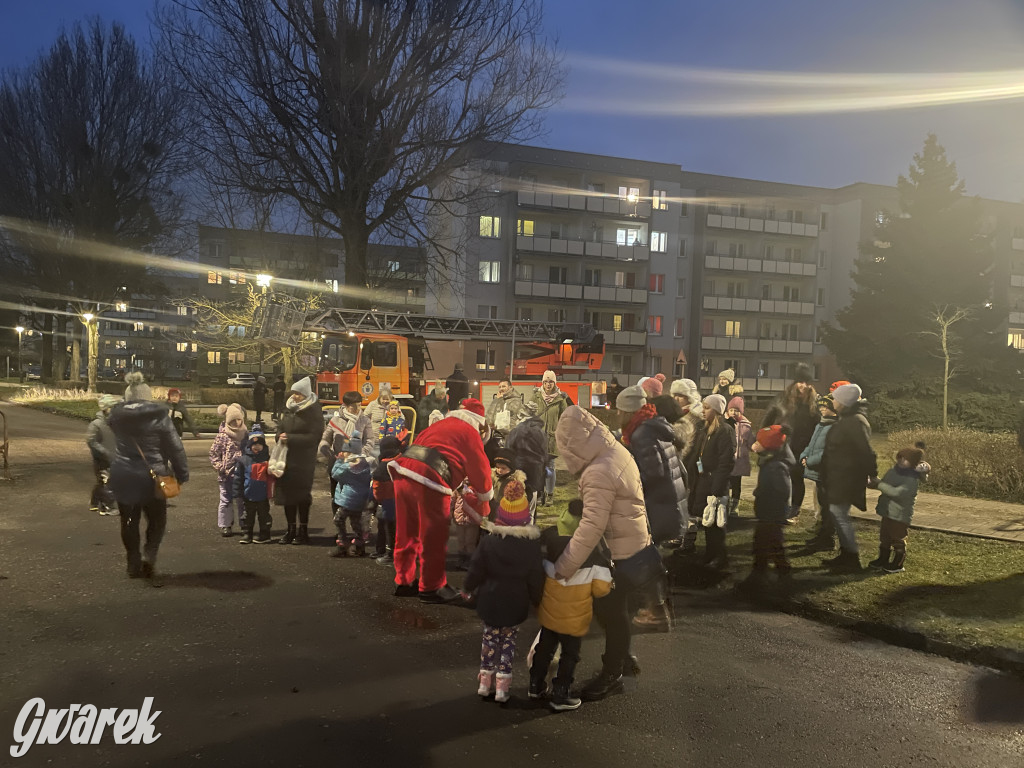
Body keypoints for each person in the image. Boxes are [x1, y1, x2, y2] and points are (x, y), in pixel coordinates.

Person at [552, 406, 651, 701]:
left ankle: (613, 674)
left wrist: (563, 566)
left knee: (611, 612)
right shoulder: (614, 452)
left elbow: (591, 529)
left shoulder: (598, 470)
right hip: (633, 545)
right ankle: (623, 659)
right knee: (617, 612)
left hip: (617, 552)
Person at [389, 399, 494, 603]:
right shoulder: (470, 432)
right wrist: (485, 502)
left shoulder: (439, 425)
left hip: (403, 470)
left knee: (406, 531)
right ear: (481, 425)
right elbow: (481, 472)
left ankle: (404, 580)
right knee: (433, 535)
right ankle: (432, 586)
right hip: (431, 478)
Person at [464, 474, 545, 704]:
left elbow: (476, 569)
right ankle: (502, 687)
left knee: (489, 640)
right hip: (515, 603)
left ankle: (484, 682)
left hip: (490, 600)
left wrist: (468, 588)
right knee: (508, 643)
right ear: (524, 517)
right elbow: (535, 577)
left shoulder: (489, 542)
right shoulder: (530, 546)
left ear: (500, 516)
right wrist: (538, 600)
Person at [615, 384, 686, 631]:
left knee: (643, 556)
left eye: (619, 410)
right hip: (667, 502)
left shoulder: (641, 433)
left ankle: (655, 612)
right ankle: (657, 608)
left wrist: (626, 482)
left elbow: (652, 472)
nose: (616, 415)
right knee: (649, 555)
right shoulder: (653, 426)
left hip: (657, 505)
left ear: (627, 411)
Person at [530, 500, 613, 711]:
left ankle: (535, 685)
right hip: (575, 616)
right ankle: (561, 694)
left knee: (545, 648)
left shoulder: (548, 538)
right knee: (570, 653)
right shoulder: (592, 550)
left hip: (550, 611)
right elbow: (602, 589)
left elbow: (535, 573)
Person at [107, 372, 188, 582]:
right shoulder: (159, 417)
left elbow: (109, 443)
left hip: (124, 474)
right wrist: (181, 473)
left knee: (129, 519)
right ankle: (148, 555)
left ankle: (132, 561)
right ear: (147, 396)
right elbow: (175, 448)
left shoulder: (116, 418)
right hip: (153, 476)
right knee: (157, 519)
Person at [820, 383, 878, 572]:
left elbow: (866, 452)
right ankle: (846, 555)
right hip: (839, 476)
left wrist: (873, 475)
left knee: (839, 514)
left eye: (835, 398)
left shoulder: (855, 422)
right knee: (837, 514)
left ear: (844, 402)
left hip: (846, 478)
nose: (833, 402)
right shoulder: (848, 419)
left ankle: (852, 558)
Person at [760, 364, 819, 524]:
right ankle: (779, 508)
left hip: (801, 448)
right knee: (779, 479)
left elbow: (818, 428)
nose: (804, 386)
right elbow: (768, 420)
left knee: (796, 480)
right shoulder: (782, 399)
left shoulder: (814, 403)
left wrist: (811, 449)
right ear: (794, 383)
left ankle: (794, 511)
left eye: (807, 382)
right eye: (800, 381)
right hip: (781, 446)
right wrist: (764, 439)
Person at [739, 425, 795, 592]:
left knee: (764, 543)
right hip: (768, 511)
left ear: (769, 446)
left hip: (772, 512)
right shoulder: (770, 460)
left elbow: (783, 490)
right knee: (771, 543)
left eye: (759, 441)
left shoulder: (776, 466)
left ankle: (763, 574)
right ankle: (776, 570)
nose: (755, 444)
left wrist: (762, 493)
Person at [275, 377, 324, 545]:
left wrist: (291, 438)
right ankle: (290, 530)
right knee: (287, 495)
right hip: (286, 457)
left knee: (302, 495)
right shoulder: (289, 408)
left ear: (305, 394)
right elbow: (281, 426)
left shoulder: (313, 410)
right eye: (294, 393)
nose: (294, 396)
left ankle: (303, 531)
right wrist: (279, 436)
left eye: (298, 394)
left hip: (304, 459)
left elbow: (314, 436)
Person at [689, 394, 735, 570]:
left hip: (715, 483)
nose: (703, 410)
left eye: (707, 407)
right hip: (703, 480)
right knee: (708, 520)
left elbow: (726, 462)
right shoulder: (704, 429)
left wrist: (717, 489)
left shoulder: (725, 431)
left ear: (716, 411)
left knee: (717, 522)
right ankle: (710, 553)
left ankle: (719, 556)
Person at [868, 442, 929, 574]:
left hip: (900, 514)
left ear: (912, 462)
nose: (901, 460)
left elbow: (897, 493)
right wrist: (871, 483)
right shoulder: (893, 471)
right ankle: (883, 558)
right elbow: (884, 484)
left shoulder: (911, 478)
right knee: (885, 536)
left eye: (905, 459)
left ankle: (898, 563)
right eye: (900, 457)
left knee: (898, 538)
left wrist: (879, 484)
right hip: (887, 510)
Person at [320, 390, 372, 519]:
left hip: (357, 463)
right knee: (336, 495)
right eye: (353, 406)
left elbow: (370, 440)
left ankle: (357, 529)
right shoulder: (335, 420)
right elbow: (325, 438)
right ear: (346, 406)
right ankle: (339, 528)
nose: (357, 408)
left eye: (359, 405)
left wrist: (360, 454)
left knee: (356, 496)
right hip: (337, 463)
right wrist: (327, 450)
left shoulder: (364, 421)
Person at [798, 394, 839, 553]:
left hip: (826, 472)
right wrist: (804, 455)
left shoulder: (835, 427)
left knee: (828, 508)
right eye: (820, 406)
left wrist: (810, 461)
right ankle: (821, 536)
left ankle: (828, 539)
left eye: (825, 407)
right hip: (818, 472)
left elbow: (827, 451)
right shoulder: (820, 425)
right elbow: (812, 444)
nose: (822, 409)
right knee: (822, 505)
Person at [530, 370, 570, 506]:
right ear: (542, 382)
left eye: (551, 381)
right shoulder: (536, 397)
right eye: (546, 381)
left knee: (551, 467)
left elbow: (565, 418)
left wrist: (560, 431)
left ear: (554, 383)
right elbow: (529, 414)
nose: (548, 384)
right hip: (537, 438)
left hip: (552, 438)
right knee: (538, 467)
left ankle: (550, 494)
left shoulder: (560, 399)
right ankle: (540, 493)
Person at [330, 436, 374, 557]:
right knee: (355, 523)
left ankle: (342, 544)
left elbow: (335, 474)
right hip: (360, 500)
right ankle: (360, 546)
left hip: (348, 500)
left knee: (338, 520)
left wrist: (339, 460)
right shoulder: (364, 463)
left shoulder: (348, 466)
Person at [209, 403, 248, 537]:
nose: (237, 423)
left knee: (242, 500)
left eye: (238, 419)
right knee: (226, 499)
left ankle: (245, 524)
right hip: (226, 474)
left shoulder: (246, 434)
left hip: (243, 474)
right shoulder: (223, 436)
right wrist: (220, 467)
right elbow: (213, 454)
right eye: (233, 420)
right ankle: (225, 525)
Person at [233, 426, 274, 544]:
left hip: (263, 495)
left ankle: (265, 534)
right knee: (247, 515)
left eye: (260, 444)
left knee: (264, 515)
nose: (257, 447)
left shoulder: (267, 459)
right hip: (248, 494)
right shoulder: (243, 460)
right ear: (249, 445)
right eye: (254, 445)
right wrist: (237, 492)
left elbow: (272, 476)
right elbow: (238, 477)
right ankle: (247, 533)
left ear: (264, 446)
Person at [506, 400, 547, 513]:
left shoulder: (516, 431)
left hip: (519, 472)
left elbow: (508, 451)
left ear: (522, 415)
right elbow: (544, 454)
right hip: (536, 472)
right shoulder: (541, 432)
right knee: (531, 507)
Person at [86, 394, 120, 515]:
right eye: (112, 407)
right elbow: (91, 441)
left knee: (102, 481)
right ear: (105, 409)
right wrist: (103, 451)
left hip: (113, 456)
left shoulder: (114, 423)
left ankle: (95, 502)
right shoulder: (96, 424)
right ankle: (108, 507)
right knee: (107, 481)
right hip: (101, 459)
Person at [372, 436, 403, 565]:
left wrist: (378, 500)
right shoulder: (404, 461)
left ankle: (389, 554)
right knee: (399, 528)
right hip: (403, 502)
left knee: (387, 527)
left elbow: (377, 489)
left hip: (388, 503)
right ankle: (383, 550)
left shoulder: (382, 467)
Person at [726, 397, 754, 518]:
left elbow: (750, 442)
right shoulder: (724, 423)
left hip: (740, 461)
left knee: (736, 485)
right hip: (727, 461)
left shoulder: (746, 426)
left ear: (741, 412)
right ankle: (725, 505)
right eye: (731, 409)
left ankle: (735, 506)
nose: (733, 412)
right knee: (725, 485)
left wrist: (755, 446)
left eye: (736, 410)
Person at [485, 378, 525, 445]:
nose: (501, 389)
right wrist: (497, 400)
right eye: (499, 387)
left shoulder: (516, 401)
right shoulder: (497, 400)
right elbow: (489, 419)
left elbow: (506, 421)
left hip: (511, 439)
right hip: (497, 438)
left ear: (510, 387)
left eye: (504, 386)